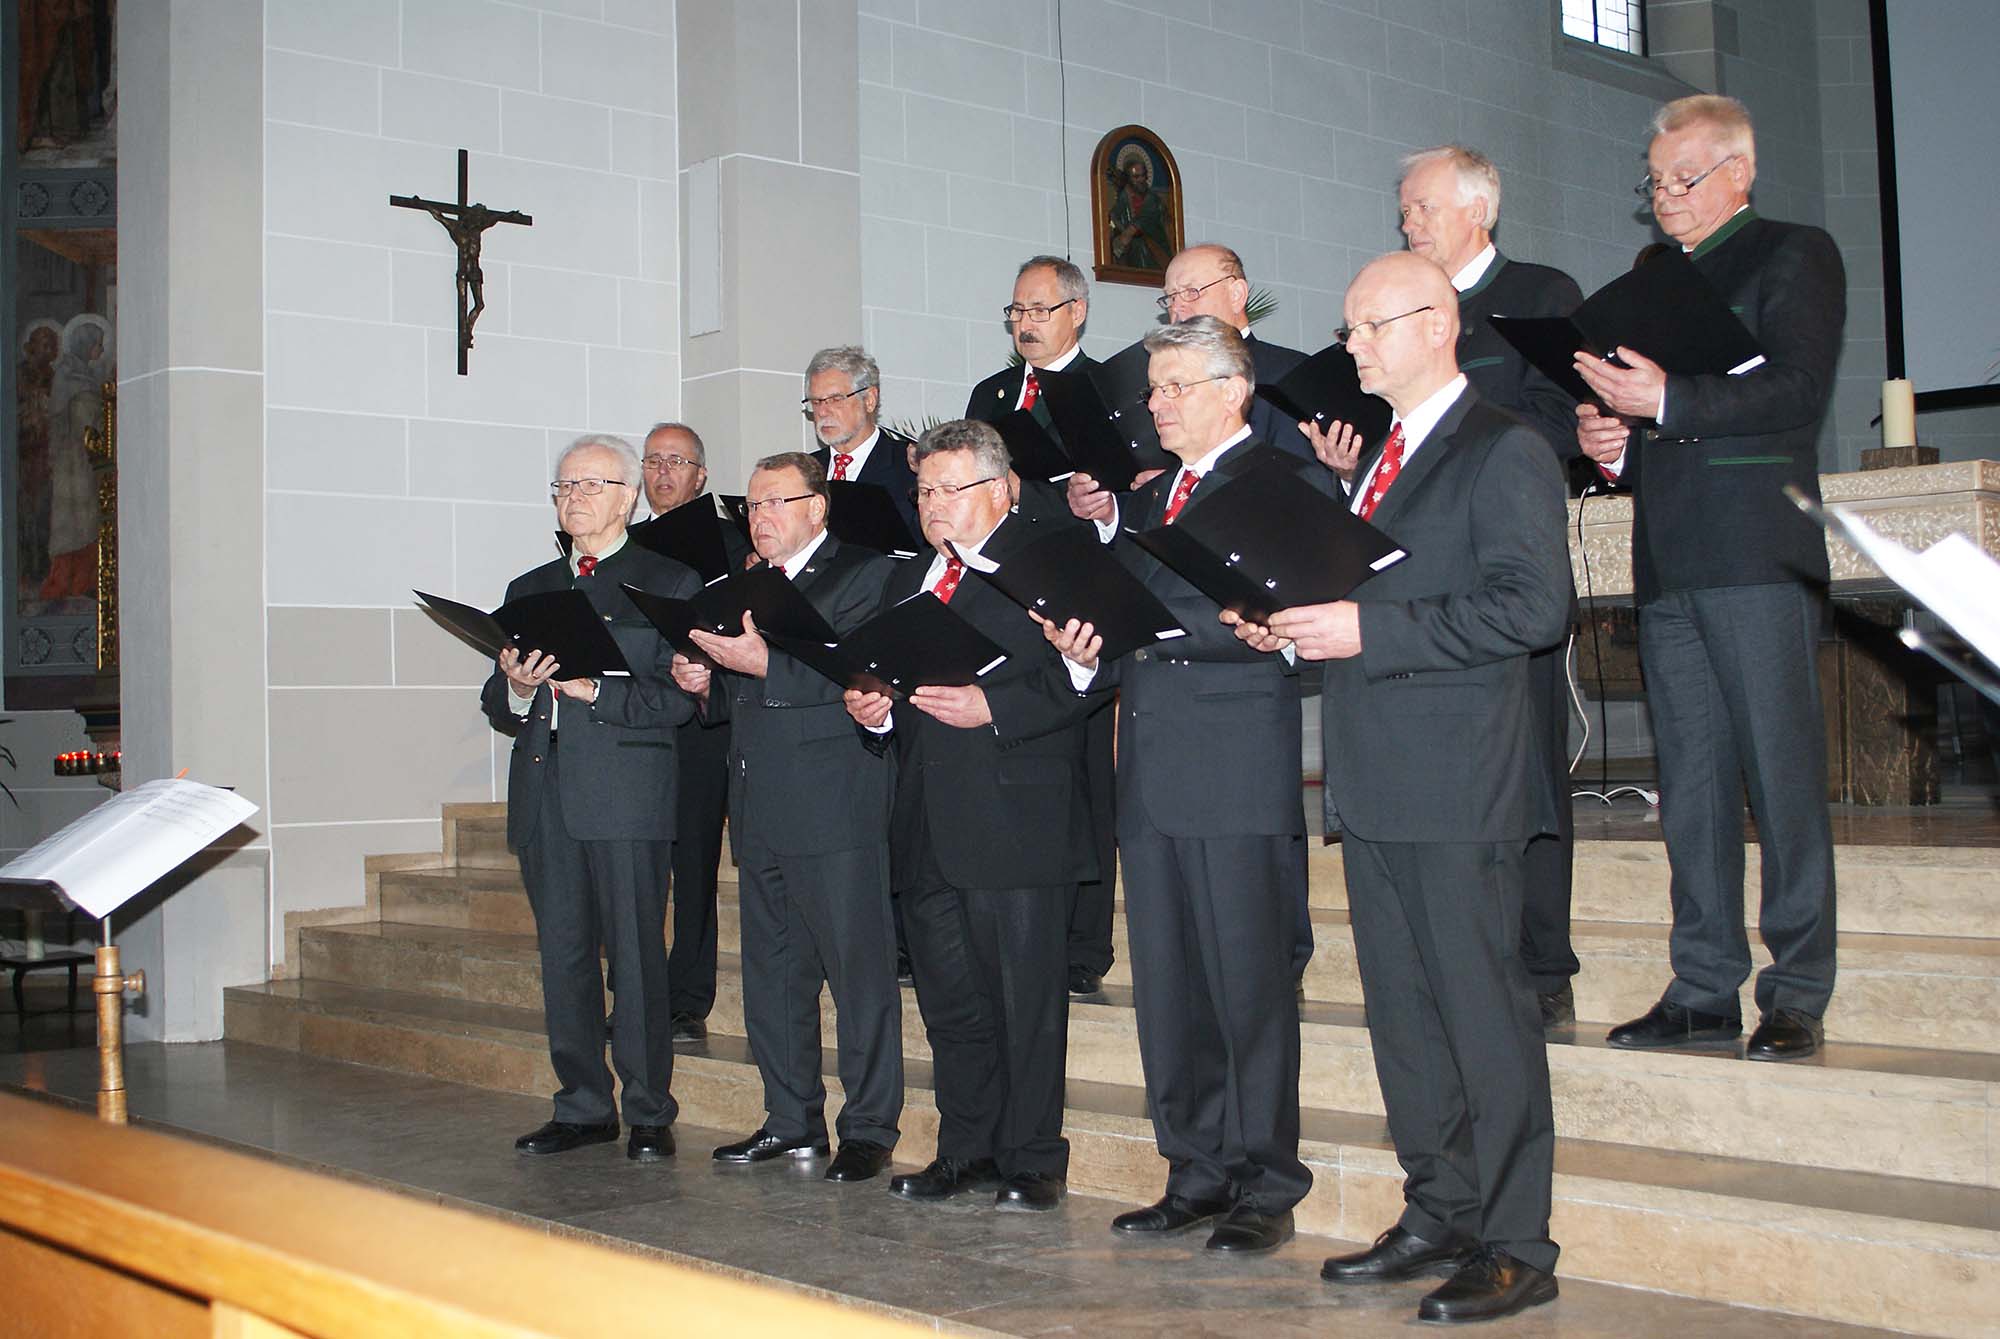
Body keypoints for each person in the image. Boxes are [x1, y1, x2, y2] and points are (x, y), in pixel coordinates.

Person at [1232, 252, 1568, 1324]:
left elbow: (1532, 608)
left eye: (1370, 326)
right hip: (1375, 778)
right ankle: (1441, 1209)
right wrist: (1294, 630)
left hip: (1459, 783)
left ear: (1437, 325)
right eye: (1348, 328)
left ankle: (1516, 1242)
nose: (1352, 347)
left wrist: (1366, 631)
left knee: (1482, 1018)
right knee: (1405, 1020)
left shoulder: (1503, 448)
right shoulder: (1380, 456)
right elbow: (1365, 603)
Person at [1575, 94, 1843, 1062]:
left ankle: (1796, 988)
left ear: (1739, 171)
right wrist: (1613, 439)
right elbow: (1660, 426)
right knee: (1689, 786)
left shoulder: (1791, 252)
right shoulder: (1656, 283)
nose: (1665, 198)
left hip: (1755, 552)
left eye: (1682, 179)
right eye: (1653, 182)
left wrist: (1668, 397)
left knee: (1779, 776)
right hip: (1670, 559)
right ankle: (1701, 985)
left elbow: (1797, 388)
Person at [1046, 317, 1317, 1256]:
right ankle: (1194, 1169)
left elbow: (1279, 616)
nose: (1154, 404)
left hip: (1235, 766)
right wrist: (1083, 645)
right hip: (1153, 768)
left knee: (1248, 986)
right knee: (1168, 988)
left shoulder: (1284, 482)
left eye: (1172, 387)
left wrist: (1144, 626)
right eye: (1152, 389)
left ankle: (1266, 1181)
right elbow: (1123, 612)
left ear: (1232, 391)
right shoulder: (1154, 498)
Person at [845, 420, 1099, 1212]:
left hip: (1016, 815)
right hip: (925, 818)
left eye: (949, 488)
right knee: (951, 1005)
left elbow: (1093, 675)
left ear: (1000, 489)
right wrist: (875, 710)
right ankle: (966, 1148)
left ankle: (1032, 1158)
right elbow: (891, 684)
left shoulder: (1051, 560)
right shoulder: (907, 577)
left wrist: (995, 706)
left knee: (1026, 1004)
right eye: (924, 489)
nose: (932, 504)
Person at [671, 453, 904, 1183]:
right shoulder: (743, 584)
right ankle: (790, 1118)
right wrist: (701, 681)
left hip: (835, 800)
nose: (761, 515)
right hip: (759, 801)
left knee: (858, 974)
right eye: (753, 504)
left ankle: (868, 1127)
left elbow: (863, 674)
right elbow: (736, 694)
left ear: (817, 508)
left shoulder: (866, 575)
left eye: (777, 501)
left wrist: (760, 663)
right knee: (772, 974)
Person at [1398, 144, 1587, 1031]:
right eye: (1404, 210)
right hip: (1419, 577)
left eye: (1423, 207)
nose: (1409, 222)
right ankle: (1460, 951)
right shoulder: (1405, 308)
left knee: (1531, 772)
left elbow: (1562, 421)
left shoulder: (1540, 295)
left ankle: (1543, 960)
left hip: (1506, 566)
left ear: (1479, 211)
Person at [481, 434, 698, 1164]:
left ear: (628, 496)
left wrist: (596, 691)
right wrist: (516, 687)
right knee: (564, 957)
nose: (573, 498)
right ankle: (581, 1105)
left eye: (589, 485)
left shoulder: (667, 582)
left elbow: (679, 699)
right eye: (563, 486)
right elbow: (497, 699)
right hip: (546, 792)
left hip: (625, 792)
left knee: (635, 960)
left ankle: (648, 1110)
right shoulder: (531, 587)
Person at [966, 255, 1119, 998]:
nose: (1024, 323)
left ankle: (1084, 942)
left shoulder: (1107, 389)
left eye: (1039, 309)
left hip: (1078, 582)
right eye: (1016, 311)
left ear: (1077, 312)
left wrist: (1084, 501)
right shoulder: (991, 394)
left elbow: (1123, 495)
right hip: (1003, 593)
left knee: (1085, 767)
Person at [638, 422, 747, 1043]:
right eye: (653, 461)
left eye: (676, 462)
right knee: (638, 867)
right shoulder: (625, 544)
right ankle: (637, 994)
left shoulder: (732, 544)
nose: (663, 472)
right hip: (640, 717)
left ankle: (685, 997)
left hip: (702, 719)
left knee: (695, 861)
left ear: (701, 477)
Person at [1158, 243, 1313, 462]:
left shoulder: (1289, 372)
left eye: (1191, 292)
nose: (1176, 308)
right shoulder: (1162, 386)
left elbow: (1297, 471)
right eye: (1171, 297)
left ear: (1236, 295)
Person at [804, 345, 919, 540]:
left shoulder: (911, 467)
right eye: (816, 402)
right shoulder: (803, 471)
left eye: (835, 399)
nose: (822, 412)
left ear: (869, 400)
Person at [1107, 149, 1172, 271]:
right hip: (1132, 248)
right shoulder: (1124, 197)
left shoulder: (1152, 199)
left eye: (1143, 175)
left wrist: (1130, 231)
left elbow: (1146, 217)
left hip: (1152, 246)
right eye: (1136, 177)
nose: (1141, 180)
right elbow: (1115, 217)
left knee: (1139, 245)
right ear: (1128, 178)